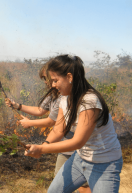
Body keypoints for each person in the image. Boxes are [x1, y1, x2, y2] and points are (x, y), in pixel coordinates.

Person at [24, 54, 122, 193]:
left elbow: (77, 142)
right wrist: (44, 145)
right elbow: (59, 130)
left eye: (55, 80)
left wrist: (41, 150)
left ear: (69, 77)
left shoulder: (90, 101)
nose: (52, 85)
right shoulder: (65, 98)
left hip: (104, 164)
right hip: (80, 159)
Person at [6, 62, 90, 193]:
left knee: (82, 185)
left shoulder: (78, 98)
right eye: (46, 79)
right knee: (62, 180)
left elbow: (52, 122)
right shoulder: (55, 95)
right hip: (66, 143)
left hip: (79, 147)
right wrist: (17, 106)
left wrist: (31, 124)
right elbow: (41, 111)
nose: (48, 83)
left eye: (50, 78)